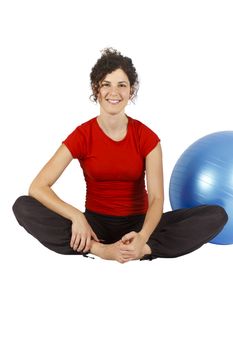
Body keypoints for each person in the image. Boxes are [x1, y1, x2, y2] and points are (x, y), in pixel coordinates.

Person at [12, 48, 228, 263]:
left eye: (121, 85)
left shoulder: (146, 137)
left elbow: (156, 198)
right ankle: (99, 250)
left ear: (131, 91)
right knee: (23, 206)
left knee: (216, 216)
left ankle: (142, 250)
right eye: (106, 84)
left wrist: (142, 238)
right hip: (95, 227)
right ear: (96, 89)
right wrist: (76, 217)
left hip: (140, 226)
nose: (113, 92)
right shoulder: (82, 135)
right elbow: (38, 187)